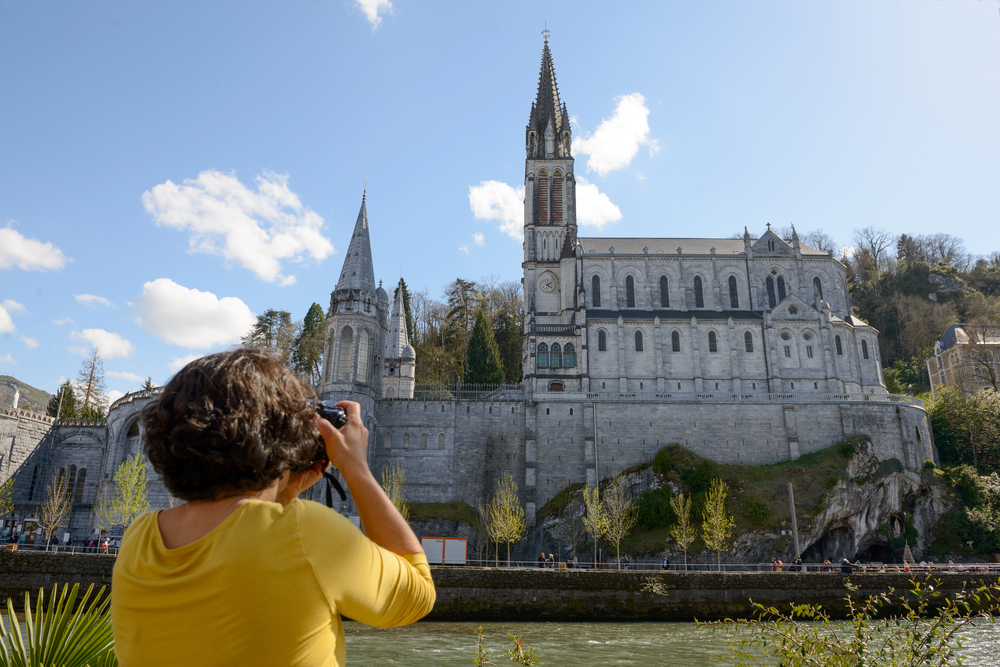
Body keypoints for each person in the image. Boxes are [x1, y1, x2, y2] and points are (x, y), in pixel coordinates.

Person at [111, 348, 435, 667]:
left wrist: (285, 489)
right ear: (280, 438)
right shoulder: (306, 532)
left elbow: (247, 533)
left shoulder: (138, 539)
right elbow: (417, 595)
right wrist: (356, 468)